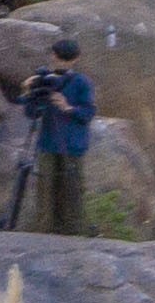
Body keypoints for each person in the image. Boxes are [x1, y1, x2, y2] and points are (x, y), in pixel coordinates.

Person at [10, 38, 95, 234]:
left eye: (65, 59)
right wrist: (28, 91)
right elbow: (32, 113)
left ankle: (74, 232)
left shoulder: (81, 82)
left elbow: (88, 113)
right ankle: (44, 232)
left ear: (74, 60)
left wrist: (68, 108)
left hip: (72, 146)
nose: (60, 62)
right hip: (48, 144)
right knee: (45, 191)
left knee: (72, 191)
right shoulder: (44, 81)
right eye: (58, 58)